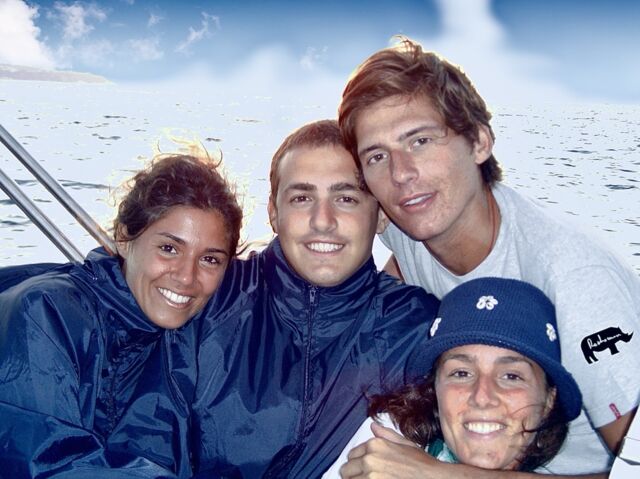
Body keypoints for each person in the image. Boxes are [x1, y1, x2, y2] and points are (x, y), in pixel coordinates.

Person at [337, 37, 640, 476]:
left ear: (480, 142)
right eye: (377, 156)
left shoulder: (575, 280)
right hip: (474, 441)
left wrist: (440, 475)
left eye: (420, 140)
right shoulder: (408, 225)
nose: (401, 174)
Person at [186, 119, 440, 478]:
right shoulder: (209, 297)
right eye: (302, 198)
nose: (323, 221)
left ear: (381, 215)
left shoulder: (416, 328)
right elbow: (147, 440)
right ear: (274, 213)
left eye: (346, 198)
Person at [0, 147, 243, 477]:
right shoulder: (44, 314)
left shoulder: (186, 335)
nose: (187, 277)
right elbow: (48, 463)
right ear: (124, 238)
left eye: (210, 259)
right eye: (169, 248)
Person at [326, 277, 583, 477]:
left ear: (548, 400)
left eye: (511, 376)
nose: (482, 397)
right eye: (461, 373)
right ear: (434, 389)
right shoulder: (386, 442)